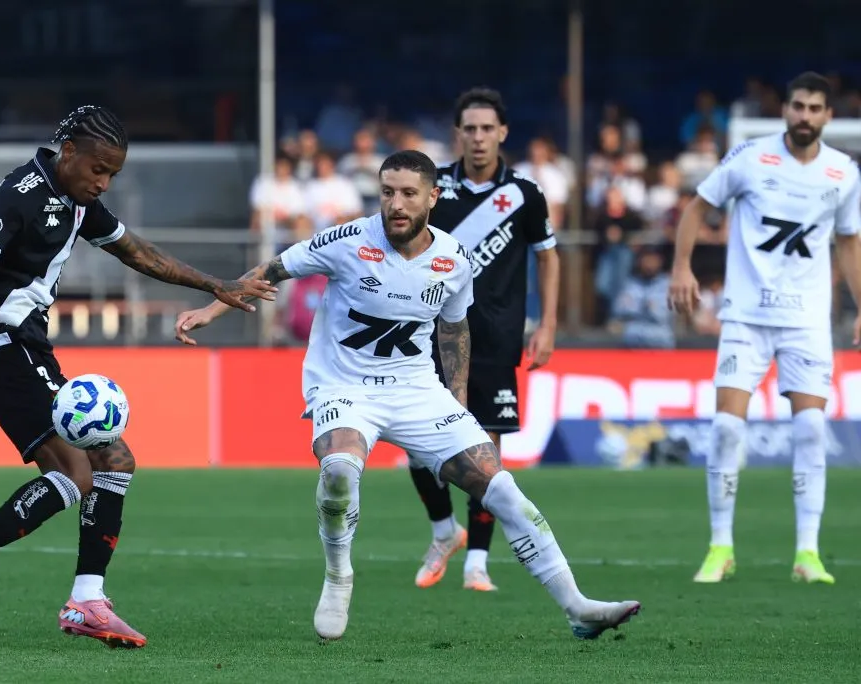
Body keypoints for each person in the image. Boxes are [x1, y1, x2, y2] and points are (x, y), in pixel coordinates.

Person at [174, 150, 639, 641]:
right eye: (387, 192)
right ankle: (338, 575)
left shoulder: (454, 259)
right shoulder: (347, 240)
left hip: (417, 389)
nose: (396, 204)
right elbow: (272, 270)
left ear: (433, 197)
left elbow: (454, 330)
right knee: (339, 470)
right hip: (344, 385)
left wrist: (457, 402)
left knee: (502, 488)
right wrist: (210, 310)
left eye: (409, 194)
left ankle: (578, 607)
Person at [0, 105, 276, 648]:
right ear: (68, 152)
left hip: (25, 350)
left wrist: (215, 284)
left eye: (112, 173)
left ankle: (84, 599)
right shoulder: (22, 193)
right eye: (98, 169)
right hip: (1, 348)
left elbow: (138, 252)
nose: (104, 182)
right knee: (85, 471)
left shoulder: (77, 201)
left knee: (110, 464)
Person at [668, 72, 861, 584]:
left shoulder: (843, 173)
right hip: (746, 317)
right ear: (786, 110)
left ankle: (807, 555)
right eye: (798, 106)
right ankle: (720, 547)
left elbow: (849, 241)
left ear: (828, 115)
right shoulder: (751, 157)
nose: (805, 115)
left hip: (806, 321)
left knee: (812, 429)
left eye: (814, 108)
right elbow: (697, 207)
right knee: (727, 429)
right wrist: (682, 267)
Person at [408, 87, 560, 592]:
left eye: (487, 128)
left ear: (503, 133)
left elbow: (548, 256)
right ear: (458, 133)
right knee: (417, 449)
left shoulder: (524, 194)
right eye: (469, 128)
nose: (478, 137)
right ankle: (442, 531)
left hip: (496, 339)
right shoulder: (432, 188)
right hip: (432, 335)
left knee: (485, 454)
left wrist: (548, 324)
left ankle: (477, 561)